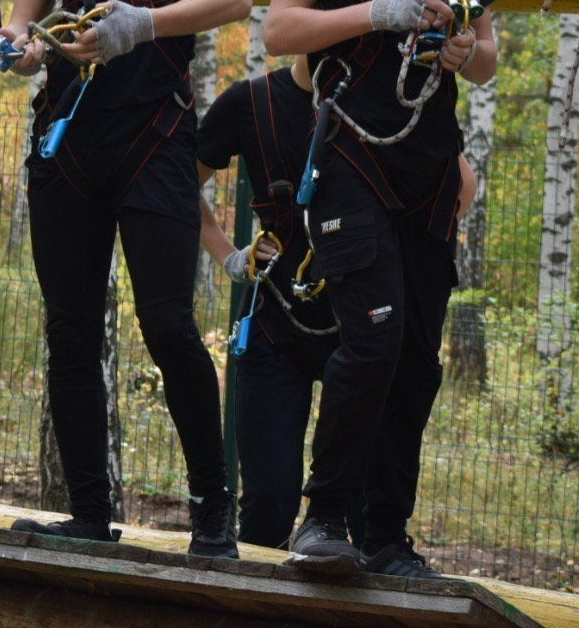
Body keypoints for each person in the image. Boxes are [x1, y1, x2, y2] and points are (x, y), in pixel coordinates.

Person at [0, 0, 252, 556]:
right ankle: (86, 511)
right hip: (70, 146)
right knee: (70, 329)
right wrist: (21, 50)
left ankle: (214, 512)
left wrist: (142, 25)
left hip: (155, 139)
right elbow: (22, 12)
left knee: (169, 324)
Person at [263, 0, 498, 578]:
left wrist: (464, 46)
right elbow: (281, 31)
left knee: (417, 359)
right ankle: (322, 517)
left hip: (429, 169)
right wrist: (380, 12)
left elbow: (489, 57)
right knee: (372, 338)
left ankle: (387, 534)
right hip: (351, 155)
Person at [197, 60, 477, 553]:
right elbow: (179, 178)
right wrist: (230, 256)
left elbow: (462, 184)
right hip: (276, 324)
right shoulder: (251, 103)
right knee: (267, 508)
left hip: (364, 330)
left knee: (361, 520)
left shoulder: (383, 107)